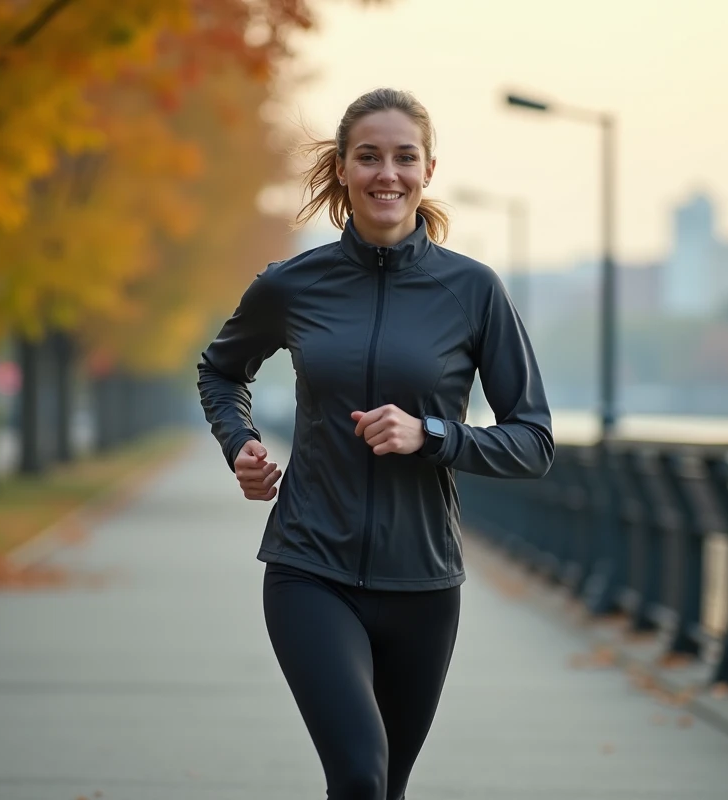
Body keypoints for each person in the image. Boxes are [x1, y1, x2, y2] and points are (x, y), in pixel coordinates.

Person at [197, 87, 554, 799]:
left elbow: (533, 440)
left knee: (386, 787)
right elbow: (221, 369)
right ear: (342, 168)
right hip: (310, 567)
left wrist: (432, 435)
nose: (386, 173)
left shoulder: (473, 290)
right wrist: (239, 443)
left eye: (403, 157)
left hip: (423, 582)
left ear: (427, 170)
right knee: (359, 775)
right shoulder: (293, 285)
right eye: (368, 157)